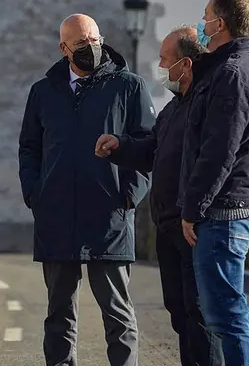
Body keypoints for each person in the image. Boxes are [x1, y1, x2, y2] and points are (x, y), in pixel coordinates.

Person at [18, 14, 155, 366]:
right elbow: (29, 148)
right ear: (64, 49)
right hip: (56, 214)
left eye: (95, 40)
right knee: (59, 313)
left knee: (117, 314)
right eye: (82, 44)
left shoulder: (129, 87)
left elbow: (147, 145)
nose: (91, 48)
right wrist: (35, 193)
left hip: (109, 214)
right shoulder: (43, 92)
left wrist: (129, 196)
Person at [95, 26, 222, 366]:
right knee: (180, 313)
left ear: (186, 63)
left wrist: (194, 211)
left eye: (166, 59)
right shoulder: (174, 107)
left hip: (191, 226)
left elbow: (214, 160)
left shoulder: (204, 104)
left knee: (200, 317)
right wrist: (120, 146)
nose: (160, 66)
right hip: (169, 226)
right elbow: (152, 150)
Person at [179, 0, 249, 366]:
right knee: (226, 316)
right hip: (227, 212)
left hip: (223, 214)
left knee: (227, 318)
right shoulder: (233, 69)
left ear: (221, 23)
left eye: (206, 16)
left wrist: (192, 209)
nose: (201, 24)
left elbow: (219, 151)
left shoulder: (232, 75)